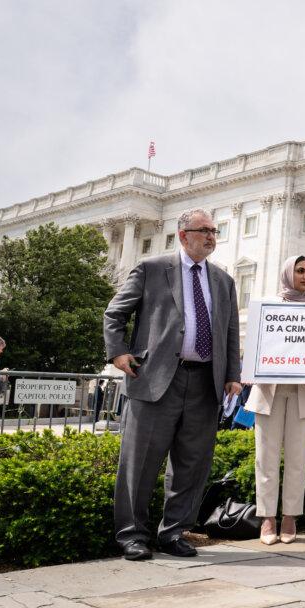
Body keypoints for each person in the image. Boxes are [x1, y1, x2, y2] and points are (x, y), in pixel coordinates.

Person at [104, 208, 241, 561]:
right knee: (140, 463)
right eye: (204, 230)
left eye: (214, 231)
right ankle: (132, 536)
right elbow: (115, 313)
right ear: (183, 235)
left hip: (205, 382)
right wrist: (118, 352)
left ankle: (174, 532)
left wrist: (232, 376)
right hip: (155, 380)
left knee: (192, 464)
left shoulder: (224, 281)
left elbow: (230, 332)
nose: (212, 236)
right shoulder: (152, 269)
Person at [244, 256, 305, 545]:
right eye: (300, 270)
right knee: (265, 456)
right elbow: (255, 347)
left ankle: (290, 516)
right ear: (287, 273)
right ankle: (267, 518)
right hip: (270, 390)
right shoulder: (268, 306)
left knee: (297, 458)